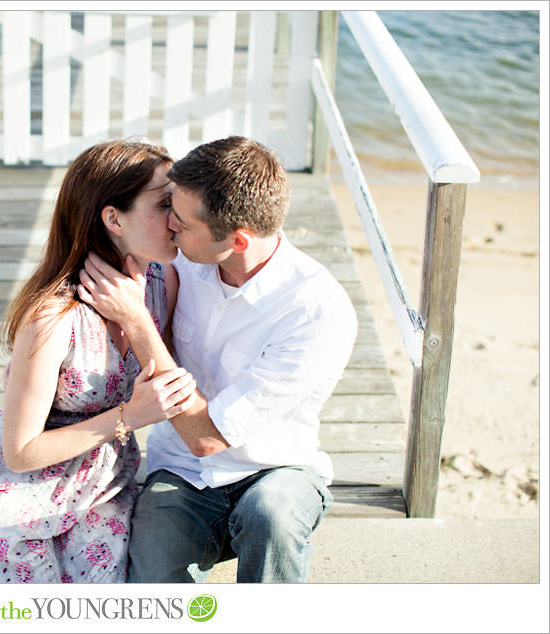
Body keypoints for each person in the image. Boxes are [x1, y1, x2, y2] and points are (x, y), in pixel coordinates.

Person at [77, 136, 358, 583]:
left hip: (274, 469)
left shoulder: (315, 311)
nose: (169, 225)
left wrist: (136, 321)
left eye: (183, 221)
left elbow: (208, 438)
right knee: (152, 590)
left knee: (274, 516)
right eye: (168, 206)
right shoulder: (180, 262)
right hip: (182, 473)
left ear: (238, 239)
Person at [0, 139, 198, 584]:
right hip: (20, 485)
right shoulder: (53, 318)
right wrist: (129, 416)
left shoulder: (162, 281)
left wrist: (135, 319)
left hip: (102, 484)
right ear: (113, 218)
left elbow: (169, 381)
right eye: (164, 203)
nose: (178, 218)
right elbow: (19, 453)